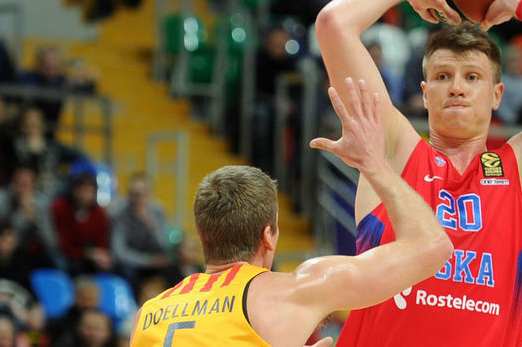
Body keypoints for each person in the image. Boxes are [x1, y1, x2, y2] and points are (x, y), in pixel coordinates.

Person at [315, 0, 522, 345]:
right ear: (425, 94)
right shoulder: (390, 149)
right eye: (443, 76)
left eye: (472, 77)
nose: (456, 87)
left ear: (497, 95)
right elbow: (334, 23)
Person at [129, 79, 453, 346]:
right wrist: (373, 163)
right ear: (268, 236)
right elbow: (433, 247)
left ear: (202, 235)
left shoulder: (149, 313)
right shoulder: (294, 291)